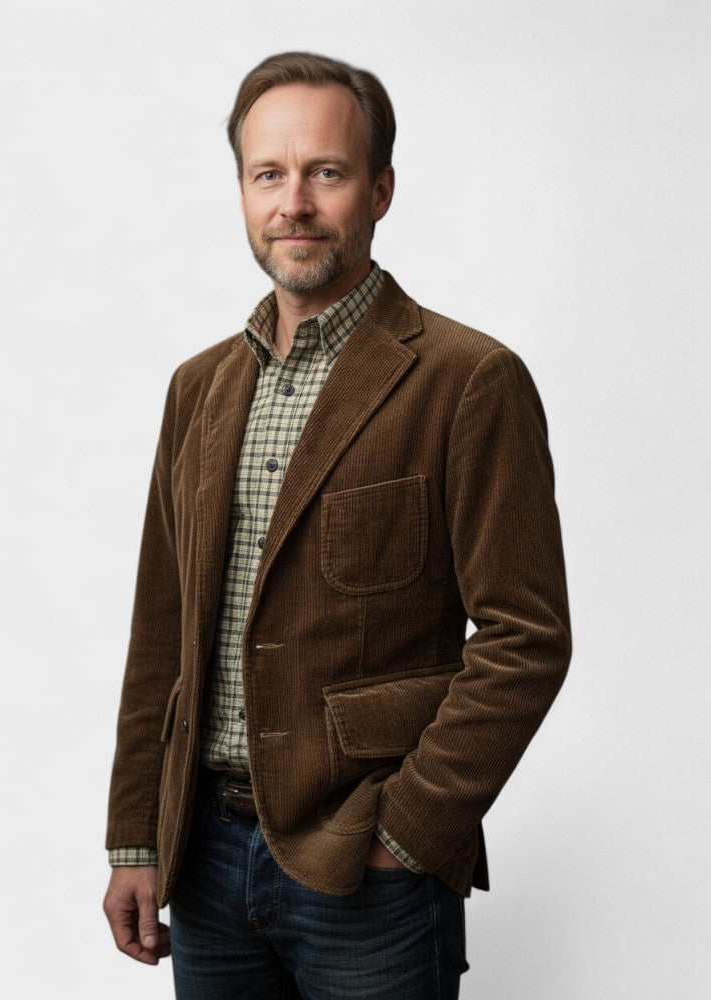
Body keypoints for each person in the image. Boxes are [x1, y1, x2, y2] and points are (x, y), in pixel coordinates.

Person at [103, 51, 571, 999]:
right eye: (267, 174)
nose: (295, 204)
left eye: (326, 171)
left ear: (380, 189)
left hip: (366, 870)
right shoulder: (198, 388)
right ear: (242, 191)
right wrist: (136, 837)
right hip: (203, 861)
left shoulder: (467, 380)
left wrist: (409, 831)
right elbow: (162, 629)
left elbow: (526, 637)